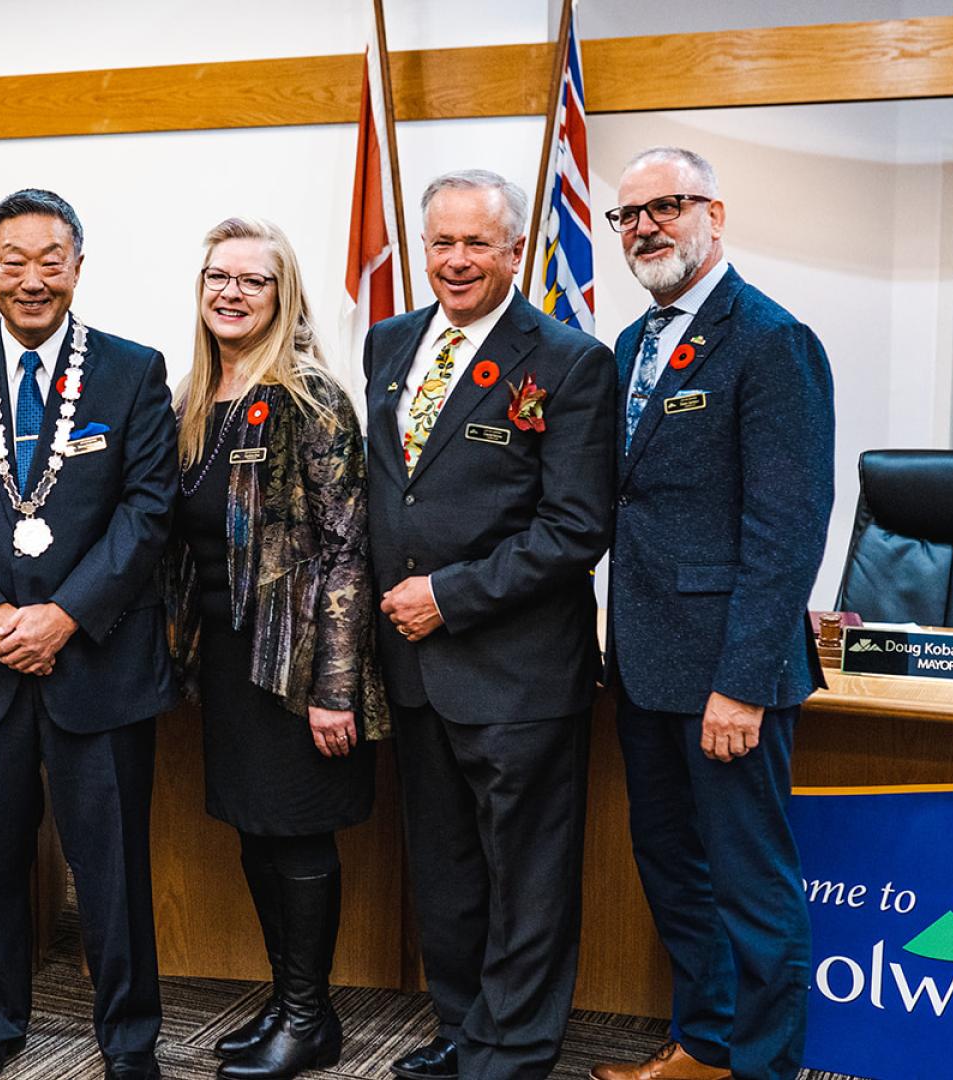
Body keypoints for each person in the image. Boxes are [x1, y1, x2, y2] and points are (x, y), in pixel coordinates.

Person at [0, 189, 177, 1080]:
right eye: (12, 261)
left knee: (114, 867)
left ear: (78, 268)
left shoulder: (134, 370)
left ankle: (129, 1037)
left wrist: (65, 615)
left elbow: (147, 509)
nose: (32, 279)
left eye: (50, 259)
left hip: (97, 661)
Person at [362, 170, 616, 1080]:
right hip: (415, 669)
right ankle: (465, 1029)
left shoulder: (568, 359)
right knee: (446, 871)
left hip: (516, 671)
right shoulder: (389, 344)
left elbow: (576, 528)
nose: (457, 260)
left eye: (478, 243)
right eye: (442, 242)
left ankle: (515, 1050)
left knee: (527, 878)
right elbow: (398, 491)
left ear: (515, 251)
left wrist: (452, 595)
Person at [590, 147, 833, 1080]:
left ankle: (765, 1067)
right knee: (674, 869)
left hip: (730, 676)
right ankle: (707, 1044)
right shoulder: (634, 342)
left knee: (751, 890)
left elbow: (786, 529)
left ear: (714, 214)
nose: (646, 226)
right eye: (630, 215)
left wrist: (739, 684)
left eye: (667, 206)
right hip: (647, 662)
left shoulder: (771, 340)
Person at [162, 217, 381, 1080]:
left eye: (253, 280)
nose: (232, 293)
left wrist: (334, 686)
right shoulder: (193, 401)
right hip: (226, 659)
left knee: (296, 837)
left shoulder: (311, 397)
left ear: (282, 293)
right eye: (219, 276)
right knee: (257, 834)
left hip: (296, 670)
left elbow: (346, 548)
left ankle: (307, 1015)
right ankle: (292, 1001)